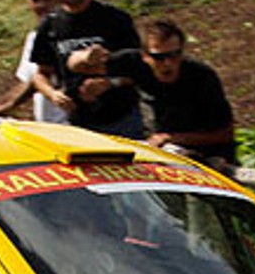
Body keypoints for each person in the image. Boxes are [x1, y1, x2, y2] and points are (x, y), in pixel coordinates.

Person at [73, 20, 237, 171]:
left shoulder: (202, 77)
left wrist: (172, 138)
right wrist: (85, 57)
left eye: (175, 55)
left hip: (209, 155)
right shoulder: (134, 62)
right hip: (162, 151)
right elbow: (78, 66)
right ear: (145, 56)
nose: (168, 63)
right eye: (159, 58)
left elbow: (225, 133)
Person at [28, 0, 145, 139]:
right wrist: (53, 94)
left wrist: (109, 83)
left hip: (122, 118)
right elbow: (41, 74)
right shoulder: (50, 25)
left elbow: (141, 68)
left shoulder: (114, 18)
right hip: (79, 123)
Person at [0, 0, 65, 121]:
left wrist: (8, 106)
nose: (42, 5)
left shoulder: (69, 35)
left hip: (73, 125)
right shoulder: (33, 38)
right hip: (48, 125)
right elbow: (25, 82)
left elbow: (35, 83)